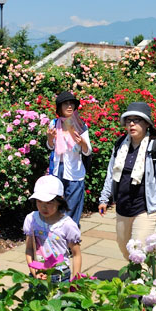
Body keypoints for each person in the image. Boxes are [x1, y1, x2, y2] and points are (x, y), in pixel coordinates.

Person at [98, 102, 156, 260]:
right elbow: (111, 173)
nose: (131, 124)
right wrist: (104, 198)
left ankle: (142, 281)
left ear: (146, 124)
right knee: (125, 249)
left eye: (137, 120)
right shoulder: (120, 145)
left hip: (145, 209)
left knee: (139, 252)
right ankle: (137, 279)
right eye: (128, 120)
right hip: (123, 207)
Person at [24, 175, 82, 283]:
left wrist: (75, 282)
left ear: (59, 201)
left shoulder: (67, 225)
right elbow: (29, 249)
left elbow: (76, 254)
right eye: (39, 201)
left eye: (49, 202)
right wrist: (34, 272)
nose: (43, 207)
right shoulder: (31, 219)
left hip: (60, 275)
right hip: (38, 273)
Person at [47, 91, 92, 226]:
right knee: (57, 205)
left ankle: (70, 237)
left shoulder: (80, 125)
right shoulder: (54, 124)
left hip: (74, 170)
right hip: (58, 170)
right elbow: (50, 147)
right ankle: (58, 236)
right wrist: (50, 138)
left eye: (71, 103)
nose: (69, 106)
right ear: (59, 107)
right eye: (66, 104)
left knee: (72, 206)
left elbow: (87, 151)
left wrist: (82, 143)